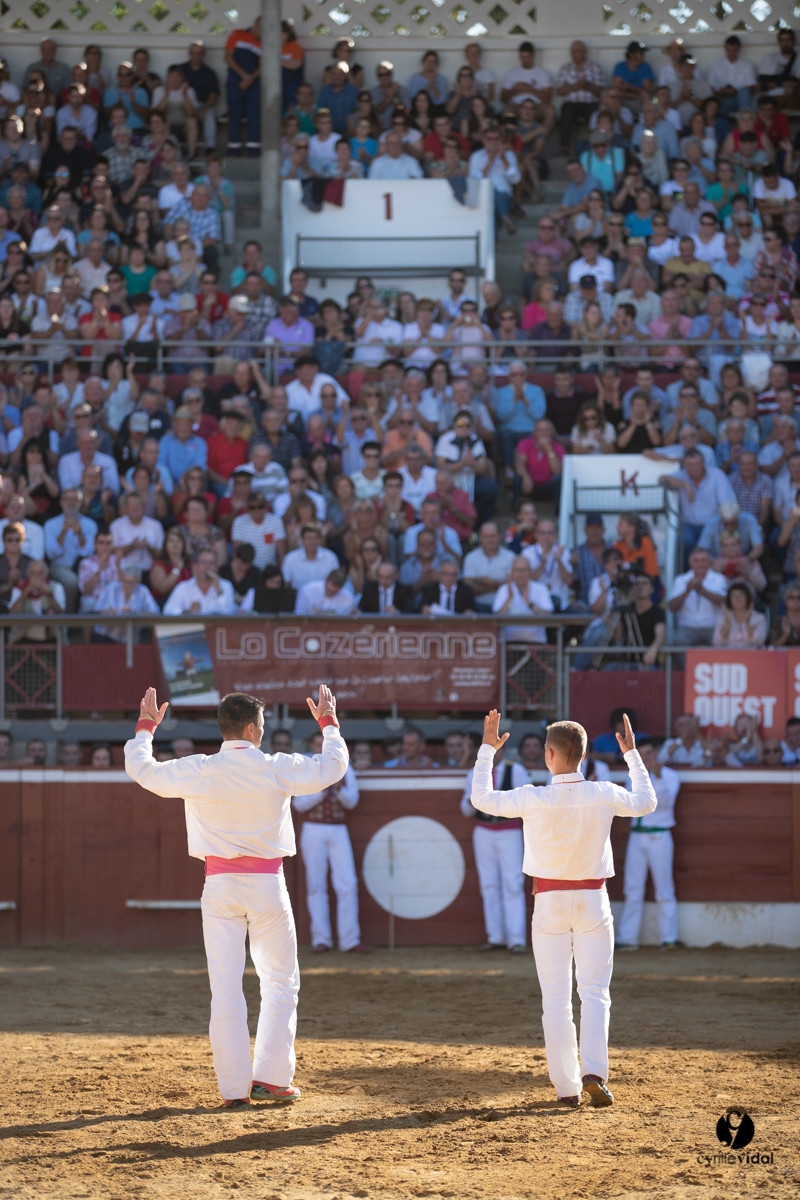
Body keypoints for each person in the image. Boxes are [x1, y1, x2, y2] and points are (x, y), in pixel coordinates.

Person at [124, 683, 348, 1108]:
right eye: (261, 726)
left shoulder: (201, 768)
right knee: (280, 982)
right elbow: (335, 766)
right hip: (267, 885)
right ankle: (272, 1078)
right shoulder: (275, 766)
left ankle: (233, 1091)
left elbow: (142, 769)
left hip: (220, 885)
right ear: (251, 728)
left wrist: (146, 726)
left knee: (225, 989)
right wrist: (328, 722)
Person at [471, 710, 656, 1107]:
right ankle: (594, 1073)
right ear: (584, 756)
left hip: (550, 902)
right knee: (595, 993)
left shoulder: (533, 795)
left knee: (555, 998)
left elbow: (480, 799)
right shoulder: (603, 792)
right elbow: (646, 801)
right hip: (592, 899)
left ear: (549, 755)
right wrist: (632, 755)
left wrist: (487, 749)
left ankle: (567, 1088)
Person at [292, 729, 368, 954]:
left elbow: (352, 801)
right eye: (317, 745)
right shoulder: (306, 765)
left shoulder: (344, 768)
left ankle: (349, 940)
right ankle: (320, 939)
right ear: (313, 747)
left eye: (324, 745)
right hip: (313, 829)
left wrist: (338, 790)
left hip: (337, 829)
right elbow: (299, 804)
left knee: (347, 883)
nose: (321, 750)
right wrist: (323, 790)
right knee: (316, 885)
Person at [460, 745, 528, 953]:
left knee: (513, 883)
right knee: (489, 884)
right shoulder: (475, 773)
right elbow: (465, 810)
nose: (493, 754)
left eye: (497, 750)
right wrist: (473, 800)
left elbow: (524, 802)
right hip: (484, 831)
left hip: (509, 830)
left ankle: (516, 938)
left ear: (504, 751)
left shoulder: (516, 770)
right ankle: (496, 936)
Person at [615, 737, 680, 951]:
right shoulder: (633, 777)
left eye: (649, 753)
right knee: (632, 888)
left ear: (655, 754)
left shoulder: (670, 776)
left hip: (660, 836)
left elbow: (664, 804)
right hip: (637, 835)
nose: (646, 758)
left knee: (664, 888)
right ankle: (628, 938)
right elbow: (632, 805)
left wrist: (658, 778)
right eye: (641, 754)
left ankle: (668, 938)